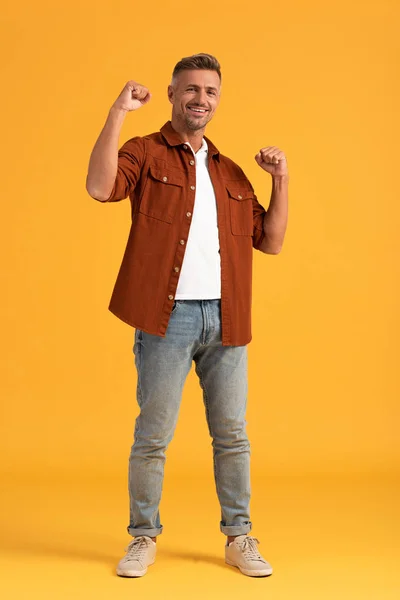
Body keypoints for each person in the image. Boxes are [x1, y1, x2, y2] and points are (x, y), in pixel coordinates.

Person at [86, 53, 289, 578]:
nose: (201, 99)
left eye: (211, 92)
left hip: (227, 319)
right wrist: (118, 112)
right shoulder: (146, 152)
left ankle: (239, 536)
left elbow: (271, 242)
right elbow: (99, 186)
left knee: (232, 435)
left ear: (218, 99)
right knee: (153, 435)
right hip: (166, 317)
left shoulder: (231, 172)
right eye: (191, 90)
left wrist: (281, 178)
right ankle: (142, 537)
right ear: (173, 93)